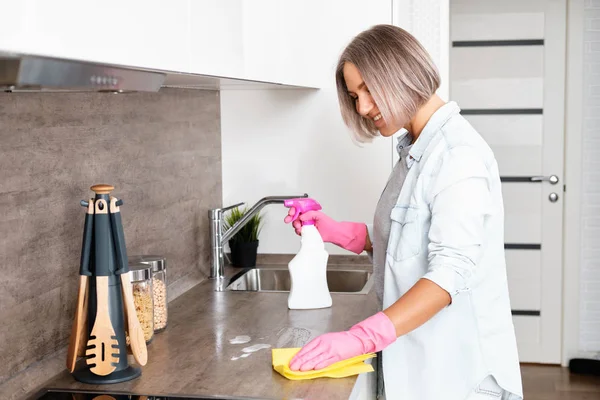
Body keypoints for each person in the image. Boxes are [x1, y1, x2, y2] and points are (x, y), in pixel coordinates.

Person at [283, 24, 523, 400]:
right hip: (421, 364)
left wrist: (359, 337)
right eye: (353, 95)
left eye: (368, 89)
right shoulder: (415, 149)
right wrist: (340, 232)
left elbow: (447, 277)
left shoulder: (458, 156)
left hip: (455, 373)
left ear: (402, 73)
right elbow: (411, 240)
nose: (362, 107)